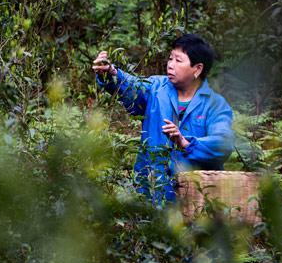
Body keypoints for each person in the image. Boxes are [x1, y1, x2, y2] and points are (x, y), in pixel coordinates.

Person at [93, 34, 234, 204]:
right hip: (152, 188)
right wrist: (111, 73)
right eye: (170, 59)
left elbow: (223, 143)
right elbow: (132, 86)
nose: (170, 65)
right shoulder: (157, 88)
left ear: (197, 69)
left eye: (178, 60)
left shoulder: (214, 105)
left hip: (194, 199)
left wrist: (185, 143)